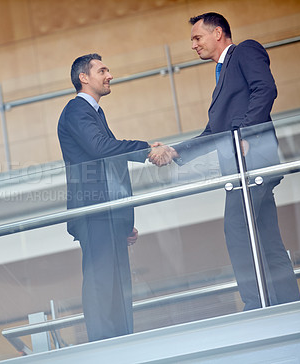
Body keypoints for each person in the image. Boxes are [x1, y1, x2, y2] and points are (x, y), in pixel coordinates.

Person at [152, 12, 300, 310]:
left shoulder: (244, 51)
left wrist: (245, 133)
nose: (193, 45)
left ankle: (255, 304)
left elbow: (266, 89)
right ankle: (288, 304)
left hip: (251, 164)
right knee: (267, 238)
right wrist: (176, 151)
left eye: (197, 37)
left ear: (218, 33)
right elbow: (214, 132)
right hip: (242, 167)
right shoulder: (221, 75)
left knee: (236, 231)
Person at [57, 53, 169, 341]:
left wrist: (121, 221)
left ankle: (122, 344)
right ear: (84, 77)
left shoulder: (94, 113)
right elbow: (100, 148)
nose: (110, 75)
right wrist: (145, 149)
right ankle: (106, 350)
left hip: (107, 215)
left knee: (118, 285)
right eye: (102, 70)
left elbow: (106, 161)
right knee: (101, 283)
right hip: (94, 214)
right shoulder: (77, 110)